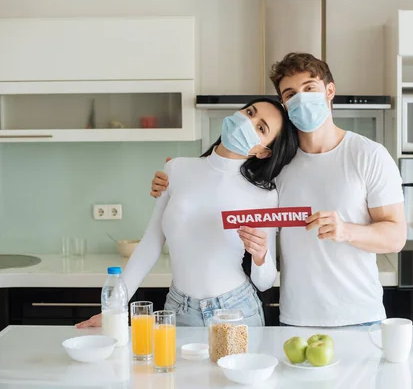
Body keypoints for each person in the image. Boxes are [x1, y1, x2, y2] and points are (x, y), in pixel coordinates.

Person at [151, 53, 407, 328]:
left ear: (329, 91)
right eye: (291, 94)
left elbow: (395, 237)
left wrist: (346, 230)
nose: (301, 98)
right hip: (295, 319)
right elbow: (221, 173)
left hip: (360, 317)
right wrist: (172, 179)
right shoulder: (277, 164)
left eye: (309, 88)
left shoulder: (369, 155)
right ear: (285, 105)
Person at [77, 97, 298, 328]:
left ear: (264, 153)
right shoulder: (176, 169)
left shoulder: (263, 195)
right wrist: (114, 309)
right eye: (250, 112)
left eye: (261, 128)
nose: (248, 123)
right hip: (178, 309)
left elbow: (265, 283)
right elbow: (150, 244)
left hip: (237, 311)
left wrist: (261, 255)